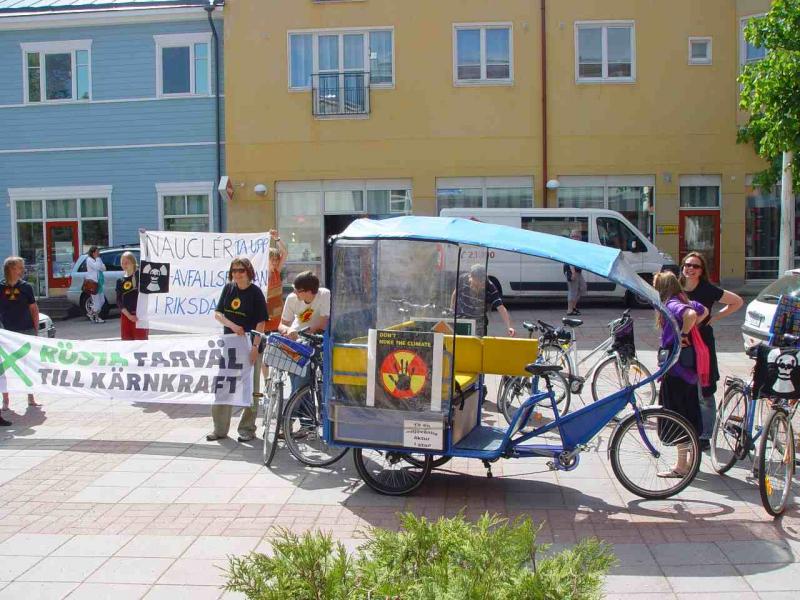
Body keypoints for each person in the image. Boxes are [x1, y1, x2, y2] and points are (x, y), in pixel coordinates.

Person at [680, 251, 743, 450]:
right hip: (681, 343)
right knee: (684, 389)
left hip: (702, 344)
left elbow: (737, 302)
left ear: (701, 271)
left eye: (695, 266)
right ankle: (688, 429)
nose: (690, 268)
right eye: (687, 264)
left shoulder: (707, 289)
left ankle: (706, 435)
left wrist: (714, 318)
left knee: (704, 391)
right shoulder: (677, 288)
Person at [653, 271, 708, 478]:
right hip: (689, 372)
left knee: (676, 416)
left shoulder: (672, 304)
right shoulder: (684, 299)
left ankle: (681, 466)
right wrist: (692, 330)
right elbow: (702, 311)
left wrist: (683, 334)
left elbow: (691, 315)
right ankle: (691, 463)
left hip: (676, 370)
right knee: (689, 413)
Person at [207, 257, 267, 442]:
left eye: (241, 270)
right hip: (231, 345)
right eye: (234, 270)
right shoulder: (229, 288)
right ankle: (220, 429)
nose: (237, 274)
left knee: (250, 388)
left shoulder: (256, 293)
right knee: (223, 386)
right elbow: (218, 314)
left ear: (248, 272)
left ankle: (247, 429)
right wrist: (232, 326)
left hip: (250, 345)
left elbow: (261, 322)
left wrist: (256, 347)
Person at [0, 256, 40, 421]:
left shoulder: (26, 287)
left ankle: (30, 397)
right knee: (4, 368)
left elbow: (34, 309)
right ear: (10, 269)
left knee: (27, 366)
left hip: (26, 331)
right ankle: (5, 399)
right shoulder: (0, 287)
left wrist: (36, 329)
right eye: (19, 267)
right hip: (7, 333)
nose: (22, 270)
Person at [279, 271, 330, 393]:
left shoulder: (324, 294)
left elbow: (323, 323)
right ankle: (298, 404)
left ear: (308, 291)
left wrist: (303, 333)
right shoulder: (292, 299)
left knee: (304, 376)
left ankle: (299, 402)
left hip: (315, 339)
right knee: (296, 376)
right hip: (296, 340)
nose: (294, 292)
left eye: (297, 290)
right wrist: (289, 330)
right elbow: (282, 324)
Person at [451, 264, 515, 337]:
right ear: (470, 277)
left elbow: (501, 307)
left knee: (478, 345)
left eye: (482, 284)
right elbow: (455, 294)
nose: (480, 286)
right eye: (477, 284)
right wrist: (452, 310)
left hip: (479, 322)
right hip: (462, 319)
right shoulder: (463, 279)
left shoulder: (490, 287)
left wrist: (509, 326)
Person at [116, 251, 148, 341]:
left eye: (127, 262)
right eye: (122, 263)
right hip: (126, 316)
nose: (124, 265)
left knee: (141, 342)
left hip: (140, 316)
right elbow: (118, 301)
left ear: (133, 263)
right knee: (127, 342)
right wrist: (129, 316)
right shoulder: (120, 281)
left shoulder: (140, 277)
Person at [564, 229, 587, 316]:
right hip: (571, 270)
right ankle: (570, 310)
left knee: (583, 288)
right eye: (573, 236)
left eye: (577, 236)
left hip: (578, 271)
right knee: (572, 290)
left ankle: (573, 307)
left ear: (580, 238)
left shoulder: (579, 246)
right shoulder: (570, 246)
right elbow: (570, 260)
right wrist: (573, 272)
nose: (575, 238)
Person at [85, 246, 106, 323]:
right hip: (94, 284)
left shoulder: (97, 259)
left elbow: (104, 268)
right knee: (97, 303)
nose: (98, 253)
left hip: (99, 283)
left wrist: (98, 261)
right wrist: (98, 259)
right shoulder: (89, 260)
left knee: (102, 301)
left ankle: (92, 313)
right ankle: (95, 316)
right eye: (97, 252)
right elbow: (98, 267)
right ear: (93, 252)